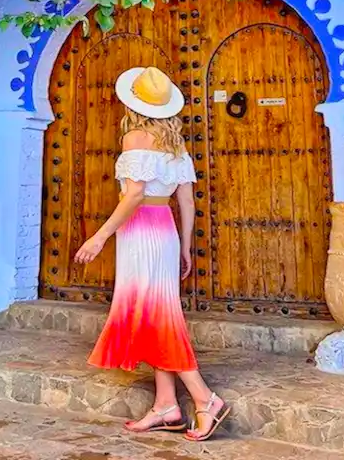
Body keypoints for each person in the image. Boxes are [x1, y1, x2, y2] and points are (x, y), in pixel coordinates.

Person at [74, 66, 230, 440]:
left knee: (158, 316)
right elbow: (187, 202)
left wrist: (99, 237)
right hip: (166, 233)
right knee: (154, 312)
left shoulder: (135, 137)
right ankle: (166, 406)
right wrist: (186, 247)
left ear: (133, 103)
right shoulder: (176, 146)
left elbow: (135, 194)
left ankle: (206, 399)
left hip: (141, 230)